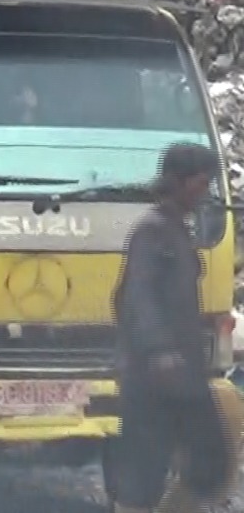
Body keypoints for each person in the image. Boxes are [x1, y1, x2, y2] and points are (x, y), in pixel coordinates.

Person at [108, 142, 230, 513]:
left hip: (182, 371)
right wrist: (159, 350)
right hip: (153, 374)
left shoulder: (176, 230)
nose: (204, 192)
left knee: (209, 459)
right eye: (200, 183)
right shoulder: (152, 231)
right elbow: (138, 296)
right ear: (177, 181)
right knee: (145, 468)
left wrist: (203, 323)